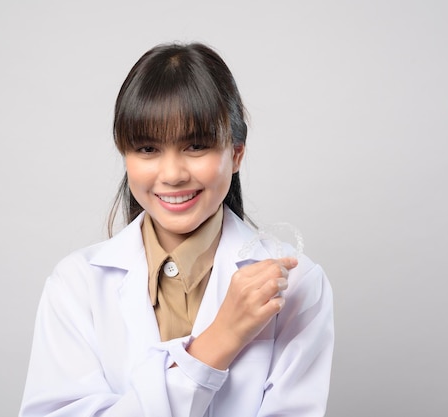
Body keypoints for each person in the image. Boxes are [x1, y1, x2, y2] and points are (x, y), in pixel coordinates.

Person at [19, 42, 334, 417]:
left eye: (196, 145)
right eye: (148, 149)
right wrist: (219, 340)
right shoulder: (76, 285)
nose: (172, 175)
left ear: (236, 153)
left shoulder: (298, 286)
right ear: (125, 155)